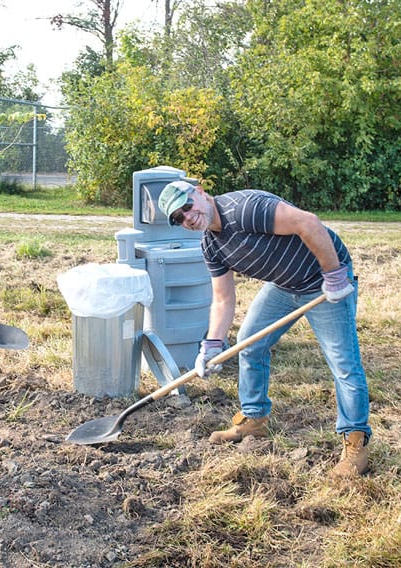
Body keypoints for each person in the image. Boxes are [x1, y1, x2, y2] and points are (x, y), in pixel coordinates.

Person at [158, 180, 372, 478]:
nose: (187, 218)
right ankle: (254, 419)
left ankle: (355, 441)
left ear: (201, 193)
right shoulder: (211, 245)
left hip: (323, 280)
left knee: (344, 363)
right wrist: (212, 344)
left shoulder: (244, 209)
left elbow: (307, 222)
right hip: (284, 285)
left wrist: (334, 275)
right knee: (248, 343)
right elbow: (223, 298)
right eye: (178, 218)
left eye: (187, 207)